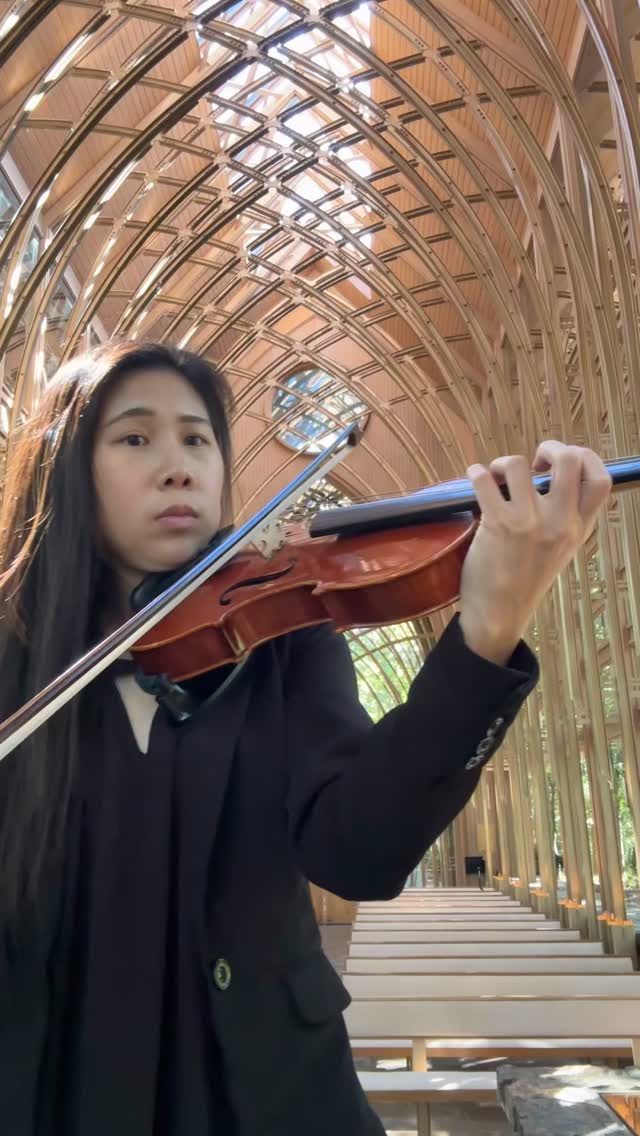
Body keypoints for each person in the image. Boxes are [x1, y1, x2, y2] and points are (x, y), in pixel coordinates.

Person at [0, 341, 612, 1136]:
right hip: (56, 1088)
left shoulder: (284, 640)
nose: (179, 467)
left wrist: (487, 632)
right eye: (135, 438)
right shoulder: (17, 666)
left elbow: (357, 851)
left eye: (198, 439)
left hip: (264, 1094)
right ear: (66, 472)